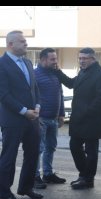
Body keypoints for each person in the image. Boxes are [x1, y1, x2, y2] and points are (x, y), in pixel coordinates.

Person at [54, 47, 101, 190]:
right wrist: (57, 72)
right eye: (79, 58)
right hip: (78, 118)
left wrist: (87, 112)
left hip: (91, 119)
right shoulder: (83, 72)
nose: (81, 61)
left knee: (91, 151)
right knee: (74, 146)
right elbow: (72, 84)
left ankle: (88, 179)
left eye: (84, 58)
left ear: (93, 59)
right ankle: (83, 174)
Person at [0, 30, 44, 199]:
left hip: (32, 119)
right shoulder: (2, 64)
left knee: (33, 153)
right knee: (9, 157)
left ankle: (26, 187)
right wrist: (24, 111)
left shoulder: (27, 62)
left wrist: (38, 106)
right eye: (22, 41)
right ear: (10, 44)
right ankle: (3, 193)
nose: (26, 43)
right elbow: (3, 94)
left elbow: (34, 88)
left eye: (25, 41)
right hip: (13, 119)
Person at [33, 48, 66, 190]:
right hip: (40, 119)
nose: (55, 62)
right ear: (43, 60)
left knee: (50, 147)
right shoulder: (34, 75)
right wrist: (35, 115)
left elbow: (61, 95)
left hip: (53, 119)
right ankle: (34, 177)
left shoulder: (56, 74)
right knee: (38, 149)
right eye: (52, 59)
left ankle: (47, 174)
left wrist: (61, 114)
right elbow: (31, 96)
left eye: (55, 59)